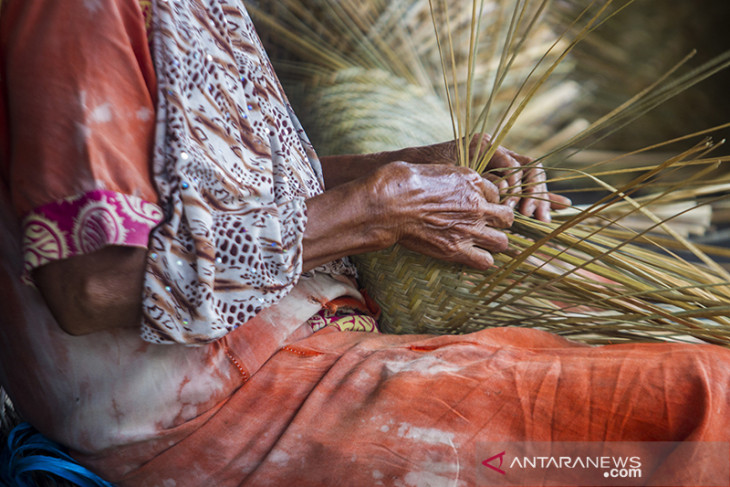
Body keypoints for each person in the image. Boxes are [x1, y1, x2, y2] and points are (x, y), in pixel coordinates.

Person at [0, 1, 728, 486]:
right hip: (228, 416)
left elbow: (235, 190)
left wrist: (414, 165)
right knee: (701, 408)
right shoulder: (74, 14)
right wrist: (374, 213)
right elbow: (89, 288)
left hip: (330, 357)